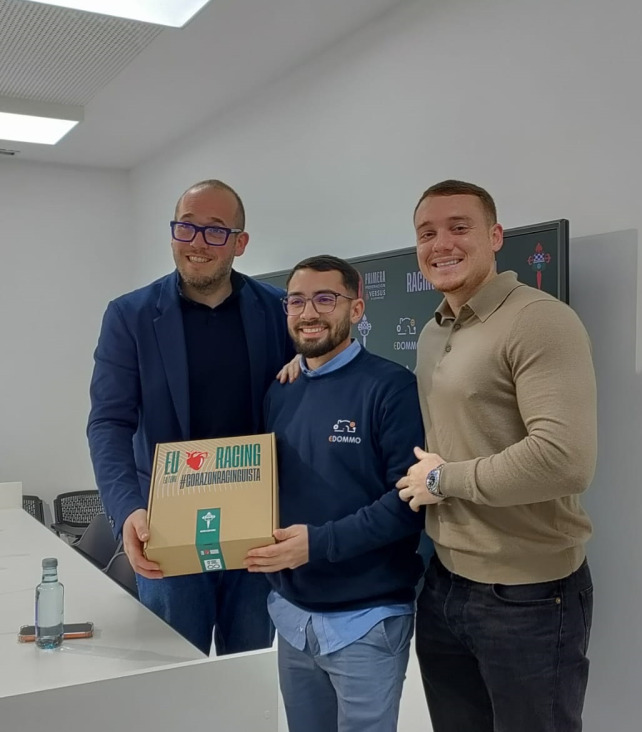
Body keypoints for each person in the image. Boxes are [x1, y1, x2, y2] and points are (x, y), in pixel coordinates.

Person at [395, 180, 598, 731]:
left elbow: (564, 459)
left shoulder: (538, 320)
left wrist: (443, 481)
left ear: (495, 236)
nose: (441, 244)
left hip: (528, 597)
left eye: (459, 228)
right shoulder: (435, 332)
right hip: (444, 584)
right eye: (427, 233)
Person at [87, 179, 293, 655]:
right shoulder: (129, 317)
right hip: (167, 529)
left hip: (255, 531)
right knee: (176, 675)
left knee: (248, 673)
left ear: (240, 243)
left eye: (216, 230)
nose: (198, 242)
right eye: (187, 227)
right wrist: (128, 511)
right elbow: (108, 423)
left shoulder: (278, 310)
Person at [245, 255, 425, 732]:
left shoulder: (391, 388)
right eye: (297, 301)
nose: (309, 313)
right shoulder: (281, 389)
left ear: (357, 309)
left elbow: (409, 503)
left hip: (366, 620)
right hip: (292, 616)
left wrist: (317, 544)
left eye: (326, 299)